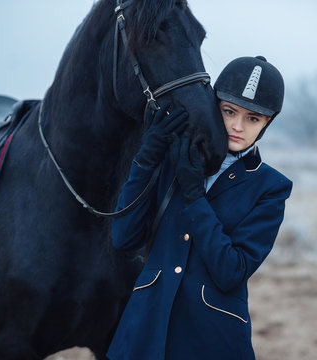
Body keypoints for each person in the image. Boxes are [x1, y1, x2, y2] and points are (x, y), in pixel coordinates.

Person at [107, 56, 292, 360]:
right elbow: (124, 238)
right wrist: (146, 160)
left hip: (211, 340)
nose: (237, 126)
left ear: (267, 123)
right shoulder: (173, 159)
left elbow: (231, 271)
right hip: (144, 333)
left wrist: (195, 197)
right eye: (229, 111)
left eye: (252, 119)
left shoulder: (271, 187)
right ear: (214, 105)